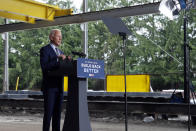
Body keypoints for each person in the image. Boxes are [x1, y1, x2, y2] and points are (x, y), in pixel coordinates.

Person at [40, 29, 66, 131]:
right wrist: (57, 60)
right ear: (51, 37)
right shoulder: (45, 50)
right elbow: (45, 67)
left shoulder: (61, 52)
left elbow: (63, 68)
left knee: (57, 116)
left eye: (61, 37)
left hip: (59, 88)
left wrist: (67, 61)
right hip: (49, 88)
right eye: (58, 36)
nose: (60, 38)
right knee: (48, 115)